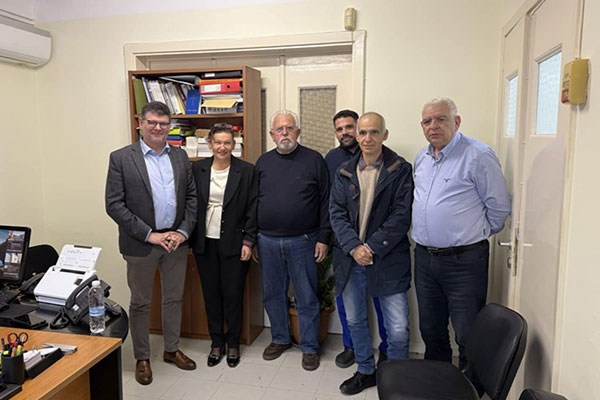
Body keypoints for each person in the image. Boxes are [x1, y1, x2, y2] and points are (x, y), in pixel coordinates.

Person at [412, 97, 510, 375]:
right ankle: (438, 381)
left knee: (468, 332)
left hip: (464, 261)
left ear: (456, 121)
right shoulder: (422, 157)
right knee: (430, 328)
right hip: (425, 258)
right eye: (427, 121)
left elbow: (499, 207)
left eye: (440, 119)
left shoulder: (478, 155)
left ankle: (471, 387)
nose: (433, 126)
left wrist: (473, 236)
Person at [105, 101, 197, 386]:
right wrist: (149, 234)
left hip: (175, 242)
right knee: (140, 303)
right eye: (152, 122)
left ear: (169, 126)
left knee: (173, 298)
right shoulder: (121, 158)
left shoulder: (180, 156)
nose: (158, 127)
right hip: (141, 243)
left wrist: (182, 232)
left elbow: (192, 198)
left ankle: (171, 350)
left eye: (163, 123)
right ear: (140, 124)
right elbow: (114, 205)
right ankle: (142, 357)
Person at [330, 112, 413, 395]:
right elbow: (336, 213)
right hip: (350, 259)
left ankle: (398, 381)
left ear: (384, 135)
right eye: (363, 132)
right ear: (357, 135)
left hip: (388, 259)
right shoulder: (344, 171)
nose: (368, 138)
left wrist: (371, 247)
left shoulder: (400, 169)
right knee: (355, 321)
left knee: (398, 328)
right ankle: (366, 371)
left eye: (374, 132)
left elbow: (401, 216)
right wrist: (354, 247)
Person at [254, 110, 331, 371]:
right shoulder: (263, 162)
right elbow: (254, 202)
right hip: (267, 241)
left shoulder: (314, 160)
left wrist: (324, 237)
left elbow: (326, 201)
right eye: (279, 129)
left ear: (298, 132)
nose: (284, 133)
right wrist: (253, 239)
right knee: (273, 294)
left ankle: (309, 346)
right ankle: (280, 338)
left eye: (289, 128)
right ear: (272, 135)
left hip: (304, 240)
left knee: (306, 295)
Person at [324, 109, 389, 368]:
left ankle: (387, 350)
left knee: (382, 301)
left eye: (349, 127)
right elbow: (330, 203)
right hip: (344, 244)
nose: (345, 133)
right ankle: (351, 346)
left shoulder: (384, 158)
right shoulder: (332, 159)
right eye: (340, 129)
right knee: (346, 300)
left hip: (378, 246)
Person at [190, 123, 257, 368]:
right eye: (217, 142)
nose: (222, 147)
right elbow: (190, 204)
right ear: (209, 144)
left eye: (227, 142)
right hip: (204, 242)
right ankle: (216, 341)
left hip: (235, 242)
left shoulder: (246, 171)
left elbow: (253, 208)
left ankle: (233, 342)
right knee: (211, 295)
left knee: (233, 294)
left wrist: (249, 241)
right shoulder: (197, 169)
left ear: (234, 144)